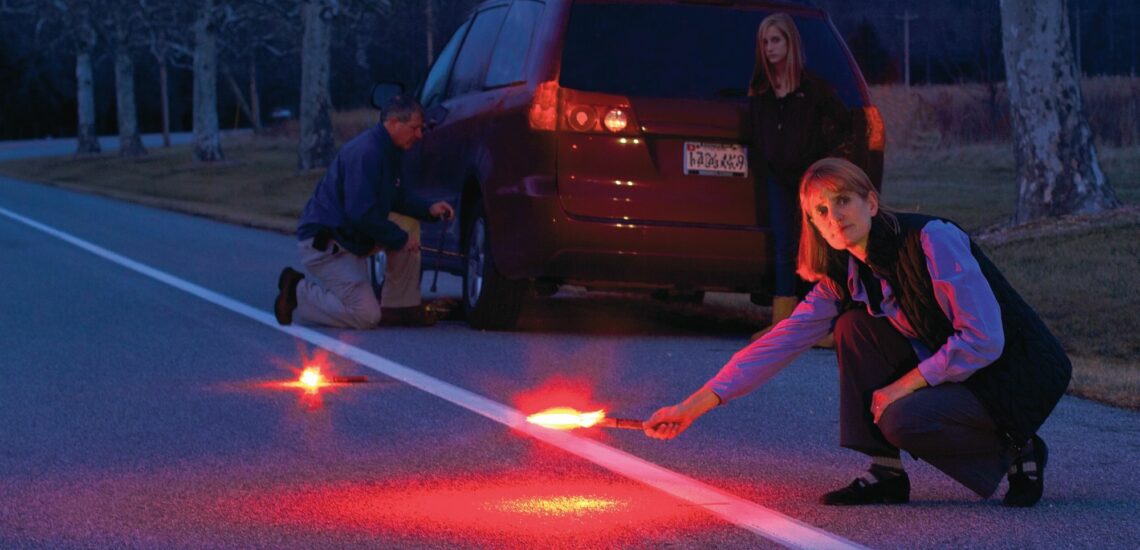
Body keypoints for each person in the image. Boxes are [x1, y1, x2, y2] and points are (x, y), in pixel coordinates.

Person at [644, 158, 1071, 507]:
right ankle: (886, 471)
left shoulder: (932, 239)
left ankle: (1020, 446)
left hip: (1012, 378)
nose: (835, 217)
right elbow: (779, 343)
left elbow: (985, 340)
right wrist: (693, 405)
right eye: (821, 212)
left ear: (871, 202)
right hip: (960, 373)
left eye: (843, 200)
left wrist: (904, 386)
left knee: (900, 418)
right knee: (853, 327)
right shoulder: (845, 274)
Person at [274, 95, 454, 329]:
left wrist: (428, 209)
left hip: (351, 236)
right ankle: (298, 292)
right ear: (393, 123)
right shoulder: (367, 153)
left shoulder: (388, 149)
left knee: (408, 223)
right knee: (366, 315)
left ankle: (400, 308)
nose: (419, 135)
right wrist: (399, 239)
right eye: (415, 128)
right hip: (327, 244)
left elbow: (394, 195)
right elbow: (360, 213)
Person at [748, 13, 854, 341]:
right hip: (777, 181)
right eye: (765, 42)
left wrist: (825, 160)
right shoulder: (761, 91)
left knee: (818, 246)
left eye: (776, 40)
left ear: (790, 43)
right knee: (784, 247)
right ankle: (782, 324)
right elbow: (757, 134)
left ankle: (818, 325)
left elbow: (844, 125)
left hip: (811, 181)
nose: (770, 48)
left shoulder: (814, 89)